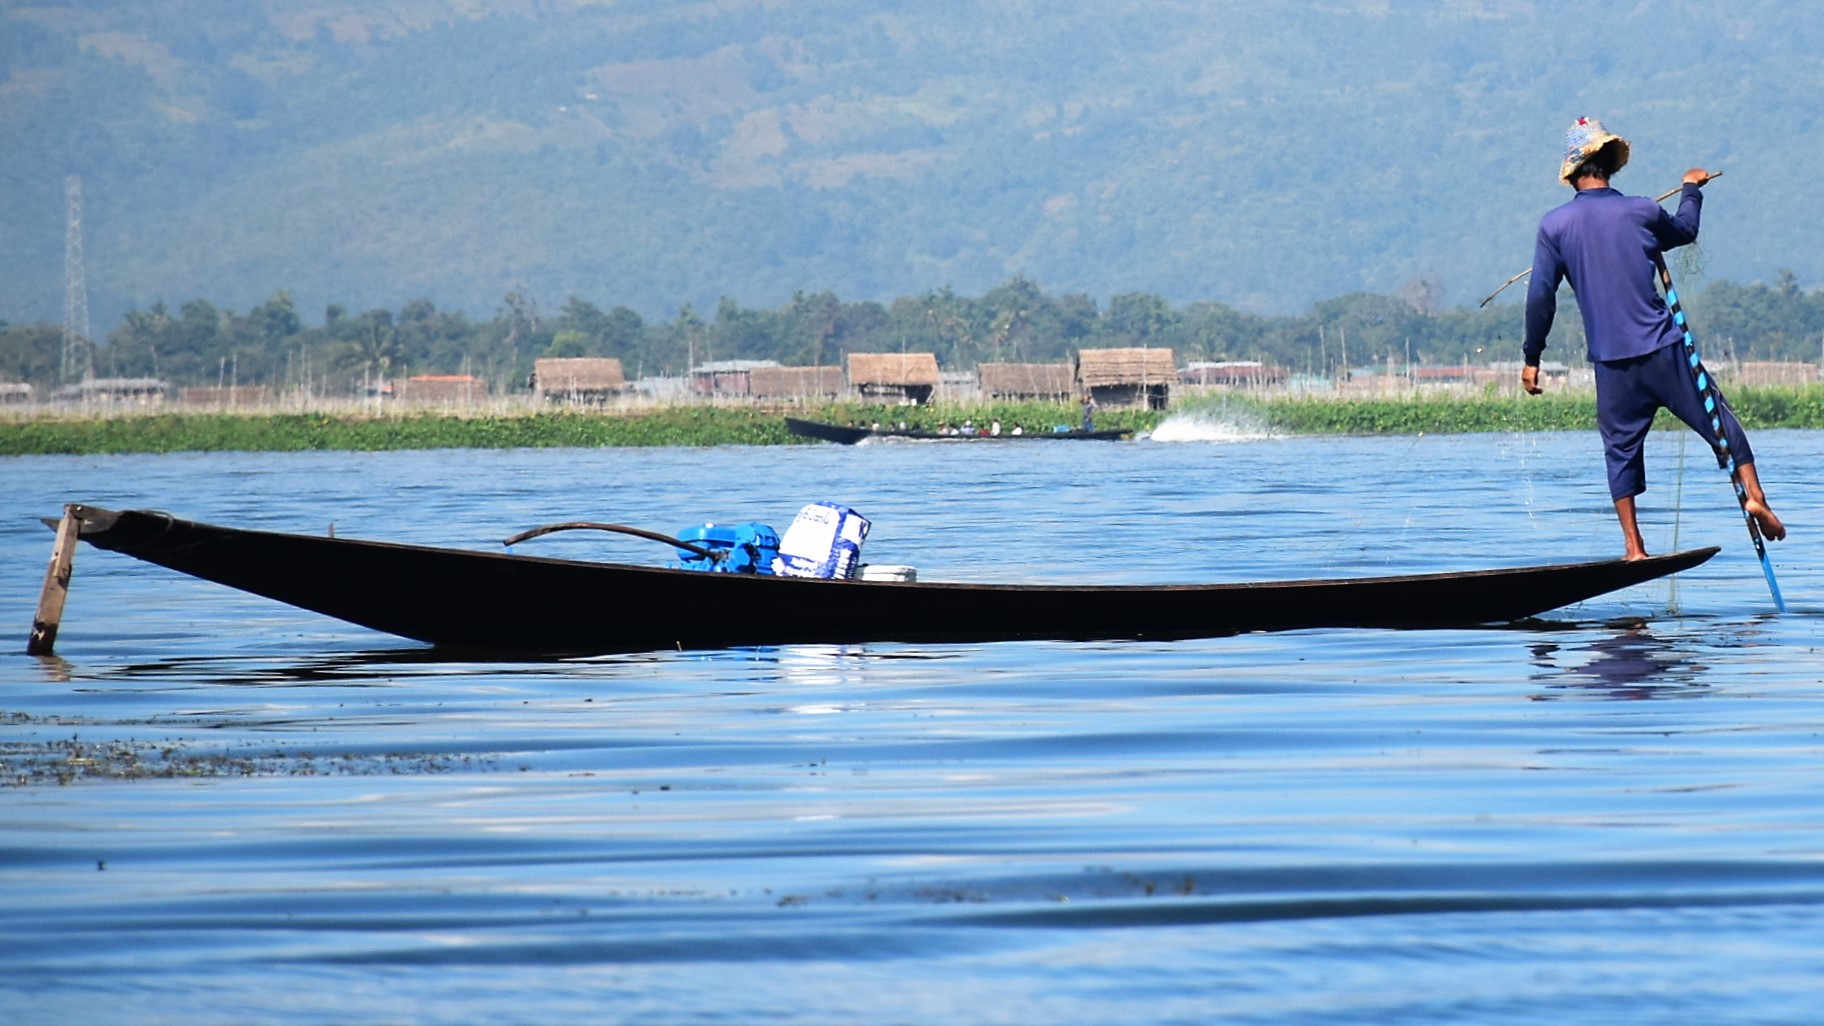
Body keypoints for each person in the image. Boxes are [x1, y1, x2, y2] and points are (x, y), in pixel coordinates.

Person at [1522, 117, 1785, 560]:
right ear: (1609, 165)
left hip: (1611, 363)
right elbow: (1684, 231)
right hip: (1663, 348)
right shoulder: (1641, 210)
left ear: (1573, 173)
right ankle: (1755, 494)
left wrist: (1532, 357)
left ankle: (1633, 546)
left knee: (1619, 452)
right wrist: (1691, 188)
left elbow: (1540, 298)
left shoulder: (1555, 227)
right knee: (1720, 420)